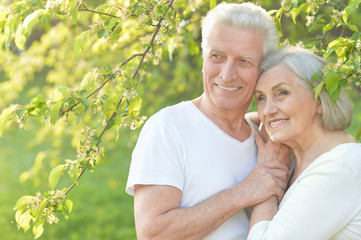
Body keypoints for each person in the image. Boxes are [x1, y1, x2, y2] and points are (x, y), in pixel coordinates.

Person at [126, 2, 290, 240]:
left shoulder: (269, 140)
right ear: (204, 60)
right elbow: (153, 235)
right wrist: (244, 192)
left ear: (263, 70)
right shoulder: (168, 127)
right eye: (217, 56)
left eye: (244, 61)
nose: (226, 74)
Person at [248, 46, 361, 240]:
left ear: (319, 99)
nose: (267, 110)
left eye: (281, 93)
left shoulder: (342, 166)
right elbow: (236, 123)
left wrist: (267, 173)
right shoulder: (293, 154)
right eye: (261, 98)